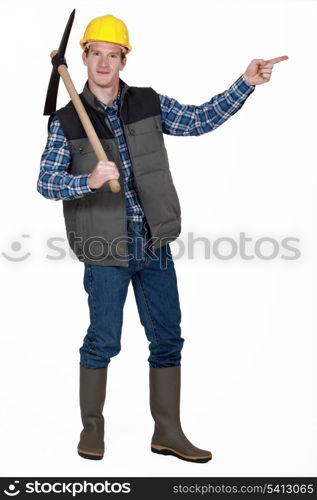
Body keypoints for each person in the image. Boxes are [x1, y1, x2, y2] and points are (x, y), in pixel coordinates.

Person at [37, 14, 288, 463]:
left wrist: (245, 83)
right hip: (104, 248)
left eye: (113, 55)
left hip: (153, 243)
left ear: (123, 59)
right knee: (103, 341)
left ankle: (167, 432)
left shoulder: (147, 102)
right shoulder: (66, 121)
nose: (104, 63)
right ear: (85, 57)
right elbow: (45, 181)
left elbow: (198, 119)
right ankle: (92, 429)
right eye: (97, 54)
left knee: (168, 338)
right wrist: (89, 180)